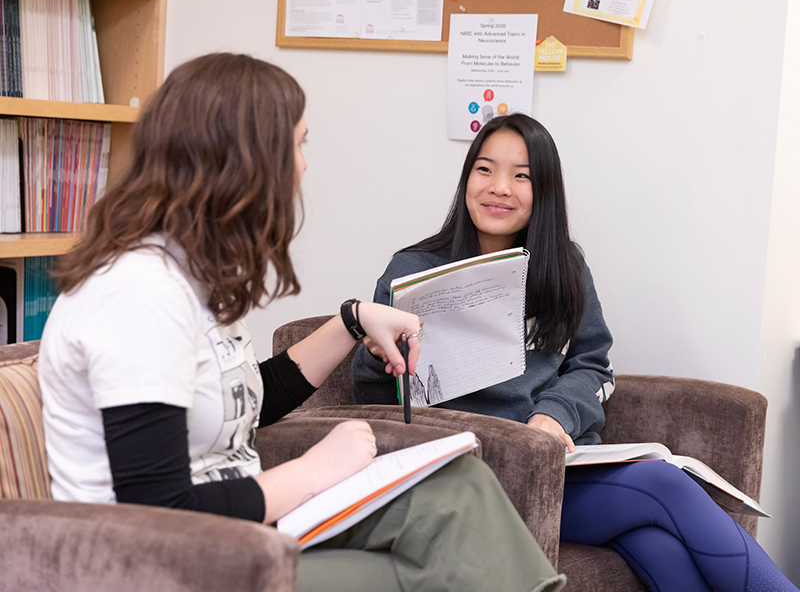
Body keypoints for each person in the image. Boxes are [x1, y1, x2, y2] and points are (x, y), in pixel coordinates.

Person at [37, 54, 565, 592]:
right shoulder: (138, 294)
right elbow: (156, 508)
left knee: (458, 488)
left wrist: (353, 321)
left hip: (236, 535)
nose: (304, 166)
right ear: (247, 162)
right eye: (298, 144)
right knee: (442, 570)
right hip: (164, 566)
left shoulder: (190, 277)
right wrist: (314, 472)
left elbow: (240, 401)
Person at [352, 113, 799, 592]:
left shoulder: (564, 266)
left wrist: (555, 414)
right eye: (484, 169)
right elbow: (370, 387)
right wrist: (381, 352)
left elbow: (592, 364)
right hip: (484, 473)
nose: (500, 187)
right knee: (666, 486)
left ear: (543, 191)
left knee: (658, 545)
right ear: (466, 179)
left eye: (522, 175)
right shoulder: (413, 269)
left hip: (561, 462)